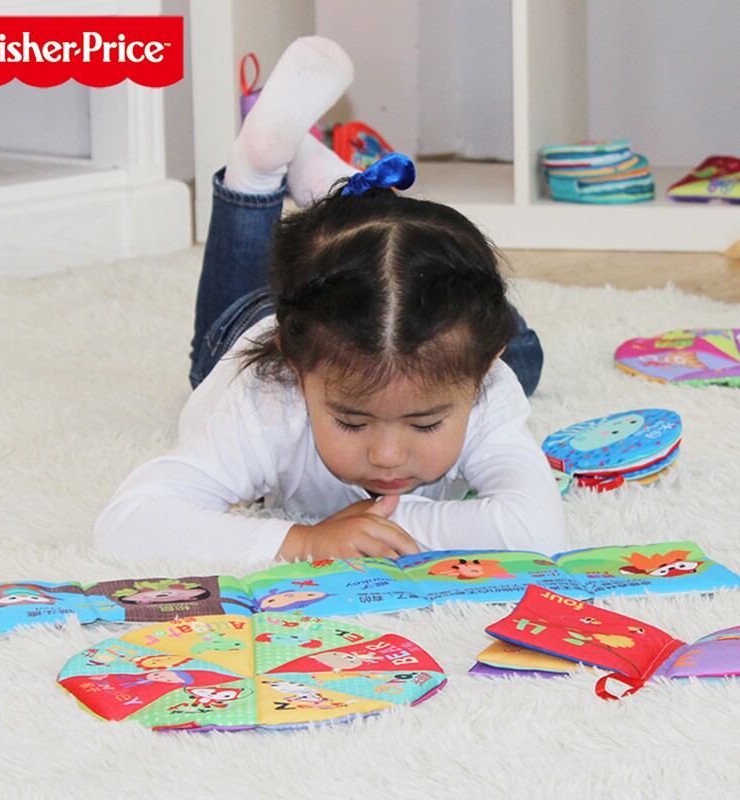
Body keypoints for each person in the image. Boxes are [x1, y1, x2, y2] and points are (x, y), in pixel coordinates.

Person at [94, 37, 566, 564]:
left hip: (357, 312)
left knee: (521, 356)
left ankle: (348, 201)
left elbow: (538, 533)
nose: (387, 456)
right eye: (352, 422)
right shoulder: (263, 403)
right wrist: (302, 540)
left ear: (482, 376)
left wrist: (376, 524)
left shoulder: (488, 386)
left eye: (425, 423)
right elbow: (126, 523)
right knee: (221, 344)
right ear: (296, 369)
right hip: (254, 331)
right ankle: (256, 172)